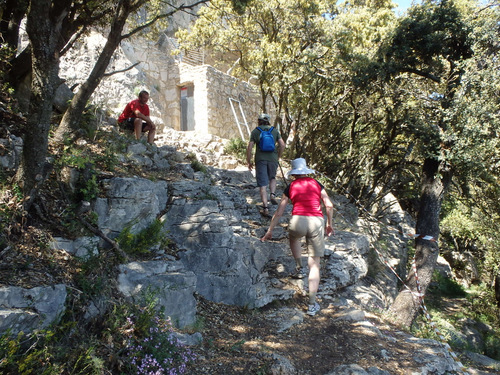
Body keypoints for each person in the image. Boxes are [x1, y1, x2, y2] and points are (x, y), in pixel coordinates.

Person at [260, 158, 334, 316]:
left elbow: (279, 211)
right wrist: (329, 224)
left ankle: (299, 268)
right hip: (316, 222)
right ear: (306, 171)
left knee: (293, 238)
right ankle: (312, 304)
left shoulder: (290, 186)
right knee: (314, 265)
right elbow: (329, 205)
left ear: (293, 174)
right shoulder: (316, 184)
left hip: (297, 221)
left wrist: (270, 230)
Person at [246, 113, 286, 217]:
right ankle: (272, 195)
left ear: (259, 121)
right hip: (273, 159)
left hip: (260, 160)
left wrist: (248, 161)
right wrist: (278, 156)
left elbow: (249, 147)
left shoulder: (255, 131)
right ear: (269, 120)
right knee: (272, 178)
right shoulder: (274, 130)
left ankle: (265, 208)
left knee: (263, 184)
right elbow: (282, 145)